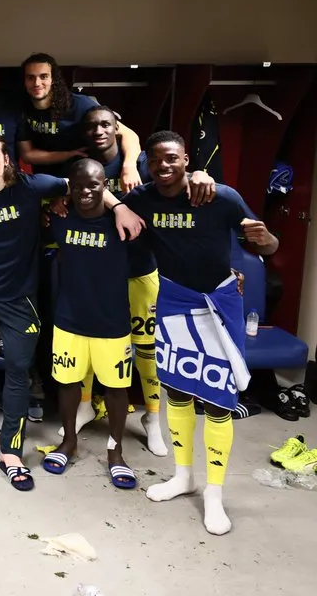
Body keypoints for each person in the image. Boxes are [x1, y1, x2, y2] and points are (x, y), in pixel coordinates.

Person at [0, 132, 142, 491]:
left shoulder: (32, 187)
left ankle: (12, 450)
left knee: (19, 372)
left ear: (6, 159)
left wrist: (119, 206)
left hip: (21, 301)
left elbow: (83, 180)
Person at [122, 131, 279, 535]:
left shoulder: (219, 195)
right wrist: (117, 205)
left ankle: (214, 493)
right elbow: (106, 200)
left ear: (186, 159)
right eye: (155, 160)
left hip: (219, 302)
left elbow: (267, 243)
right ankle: (183, 475)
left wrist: (269, 240)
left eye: (171, 158)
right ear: (148, 164)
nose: (163, 166)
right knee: (175, 390)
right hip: (173, 299)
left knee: (218, 400)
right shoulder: (143, 199)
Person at [43, 159, 138, 489]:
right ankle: (69, 441)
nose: (86, 191)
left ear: (105, 186)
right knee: (68, 383)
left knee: (115, 388)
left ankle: (116, 451)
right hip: (69, 320)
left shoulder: (122, 223)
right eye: (78, 185)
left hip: (112, 322)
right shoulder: (58, 218)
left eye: (93, 185)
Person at [81, 105, 166, 455]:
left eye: (106, 125)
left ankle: (152, 417)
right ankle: (85, 404)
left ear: (118, 128)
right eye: (92, 127)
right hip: (98, 272)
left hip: (140, 269)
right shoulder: (85, 167)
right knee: (86, 344)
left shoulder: (143, 162)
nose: (99, 131)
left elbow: (177, 178)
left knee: (146, 350)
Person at [16, 53, 142, 183]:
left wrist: (129, 167)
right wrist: (68, 155)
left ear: (53, 79)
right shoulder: (21, 108)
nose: (37, 83)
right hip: (47, 180)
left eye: (44, 76)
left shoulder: (80, 104)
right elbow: (27, 155)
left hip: (83, 178)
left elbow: (129, 135)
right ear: (24, 81)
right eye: (31, 77)